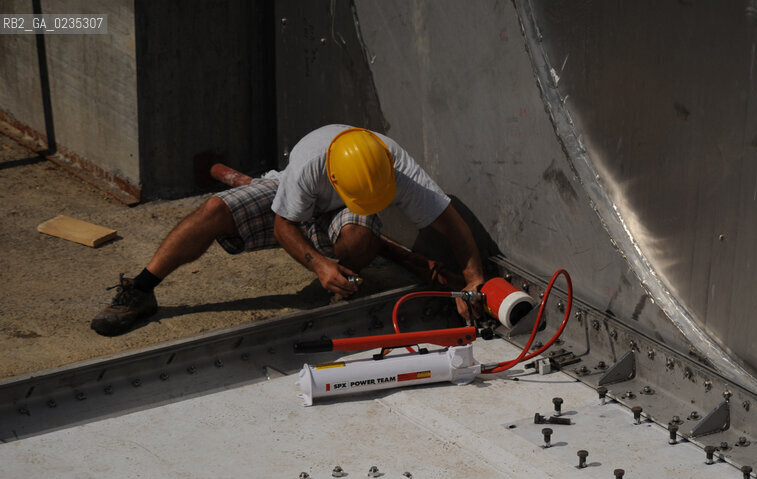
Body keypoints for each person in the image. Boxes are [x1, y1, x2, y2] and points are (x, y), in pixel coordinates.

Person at [91, 125, 485, 336]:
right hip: (293, 204)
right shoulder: (309, 163)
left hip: (338, 213)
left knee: (361, 236)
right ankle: (141, 290)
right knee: (214, 209)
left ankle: (345, 286)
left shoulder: (394, 167)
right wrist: (317, 265)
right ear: (331, 174)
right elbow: (284, 226)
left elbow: (452, 224)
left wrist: (474, 281)